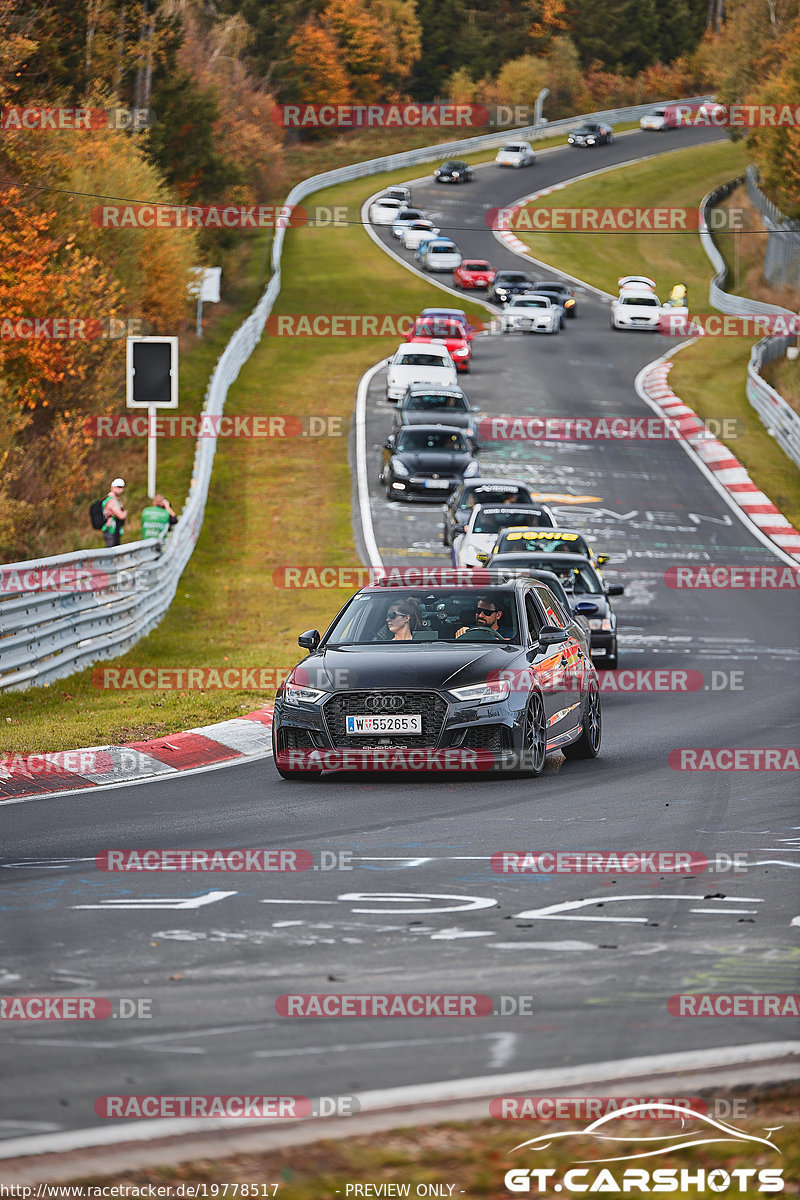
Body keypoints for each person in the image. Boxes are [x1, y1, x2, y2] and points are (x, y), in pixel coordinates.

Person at [101, 477, 127, 548]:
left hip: (114, 530)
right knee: (111, 551)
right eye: (118, 487)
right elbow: (120, 515)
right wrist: (125, 512)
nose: (120, 489)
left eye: (121, 487)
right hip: (111, 530)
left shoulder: (113, 499)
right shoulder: (112, 501)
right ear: (112, 487)